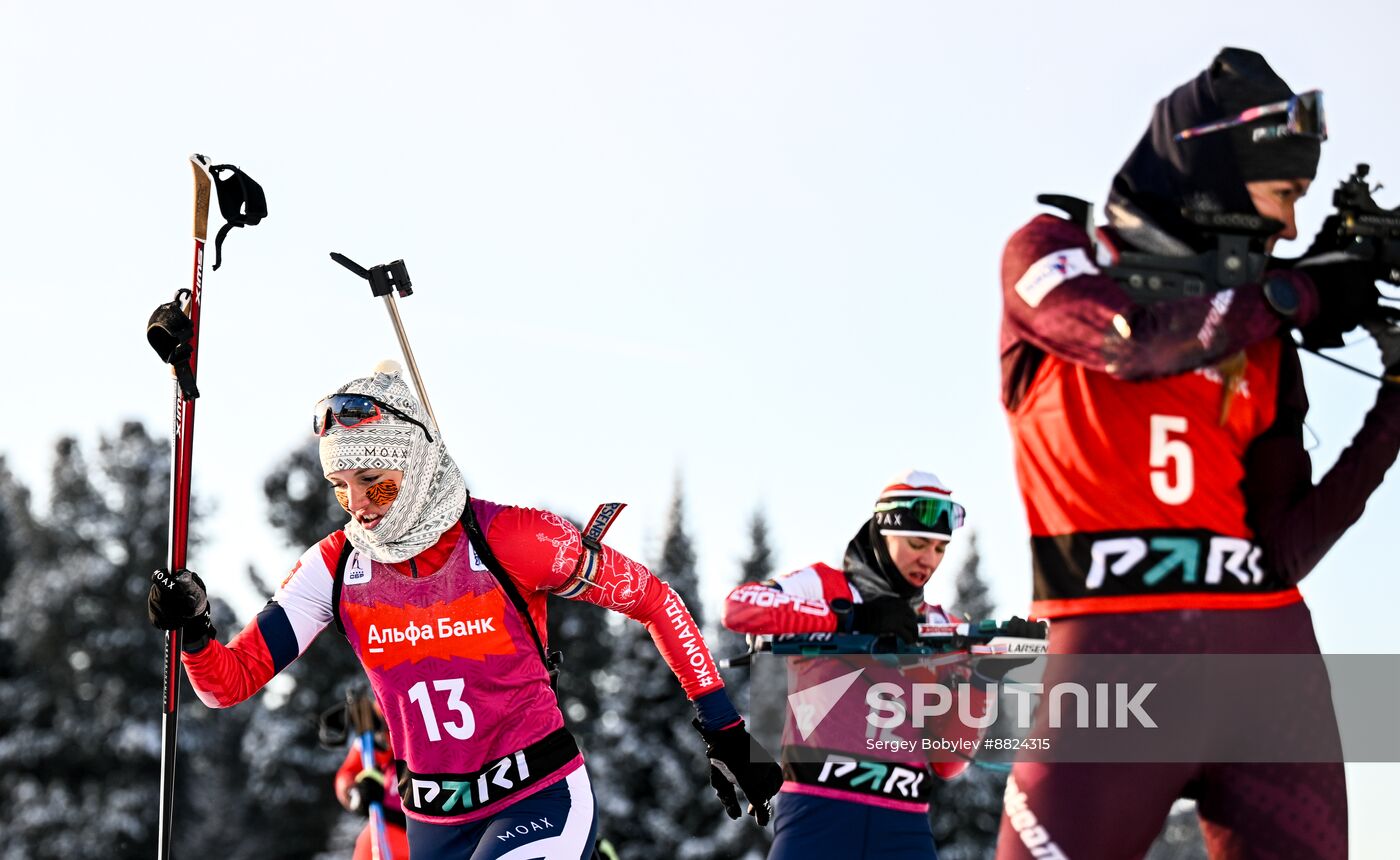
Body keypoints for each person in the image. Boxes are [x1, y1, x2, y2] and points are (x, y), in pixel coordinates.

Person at [997, 47, 1400, 859]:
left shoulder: (1262, 339)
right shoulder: (1051, 248)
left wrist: (1396, 406)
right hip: (1115, 661)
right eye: (1284, 194)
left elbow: (1283, 551)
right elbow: (1131, 343)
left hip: (1271, 665)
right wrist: (1300, 289)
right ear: (1218, 172)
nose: (1290, 228)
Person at [149, 360, 782, 860]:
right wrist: (196, 627)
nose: (360, 506)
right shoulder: (337, 566)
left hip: (539, 796)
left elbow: (656, 599)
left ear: (417, 463)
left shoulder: (510, 539)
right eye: (342, 488)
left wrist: (724, 727)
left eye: (378, 484)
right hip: (433, 822)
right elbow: (228, 684)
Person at [723, 470, 1042, 860]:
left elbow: (946, 763)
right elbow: (740, 607)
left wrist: (982, 678)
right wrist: (850, 618)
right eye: (918, 543)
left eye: (940, 548)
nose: (929, 559)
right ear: (883, 531)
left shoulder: (940, 625)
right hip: (817, 813)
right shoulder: (824, 586)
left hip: (903, 824)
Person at [332, 696, 411, 860]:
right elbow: (348, 774)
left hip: (447, 825)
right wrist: (357, 792)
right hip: (390, 827)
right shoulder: (387, 714)